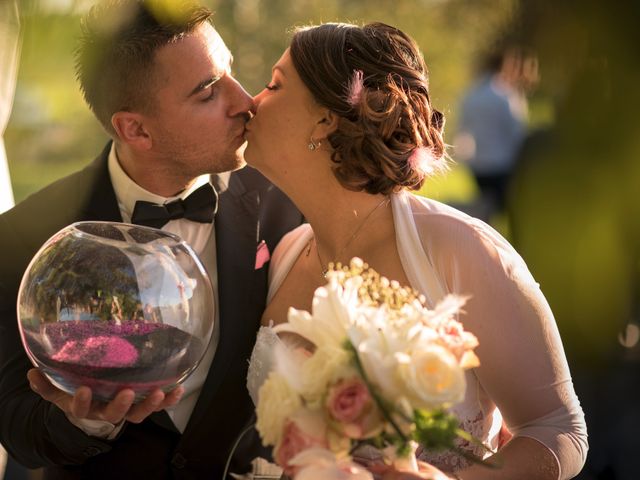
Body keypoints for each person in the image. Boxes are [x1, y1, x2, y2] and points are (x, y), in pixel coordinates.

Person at [244, 22, 587, 479]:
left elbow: (557, 428)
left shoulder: (459, 249)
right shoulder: (286, 254)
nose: (252, 100)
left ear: (325, 119)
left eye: (273, 85)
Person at [0, 1, 301, 478]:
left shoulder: (285, 204)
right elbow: (16, 425)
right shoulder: (24, 236)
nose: (243, 100)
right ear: (135, 128)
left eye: (230, 73)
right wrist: (85, 420)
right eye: (207, 93)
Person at [454, 45, 538, 221]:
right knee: (510, 213)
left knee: (487, 212)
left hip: (479, 164)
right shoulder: (506, 96)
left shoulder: (471, 94)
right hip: (504, 165)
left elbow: (462, 128)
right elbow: (517, 132)